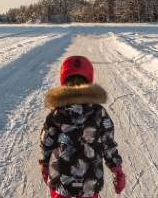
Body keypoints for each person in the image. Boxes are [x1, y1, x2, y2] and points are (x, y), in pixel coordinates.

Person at [39, 56, 127, 198]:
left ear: (63, 80)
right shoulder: (99, 112)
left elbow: (47, 141)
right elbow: (108, 144)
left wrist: (44, 164)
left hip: (61, 180)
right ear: (89, 80)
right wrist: (116, 169)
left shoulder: (56, 113)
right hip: (90, 181)